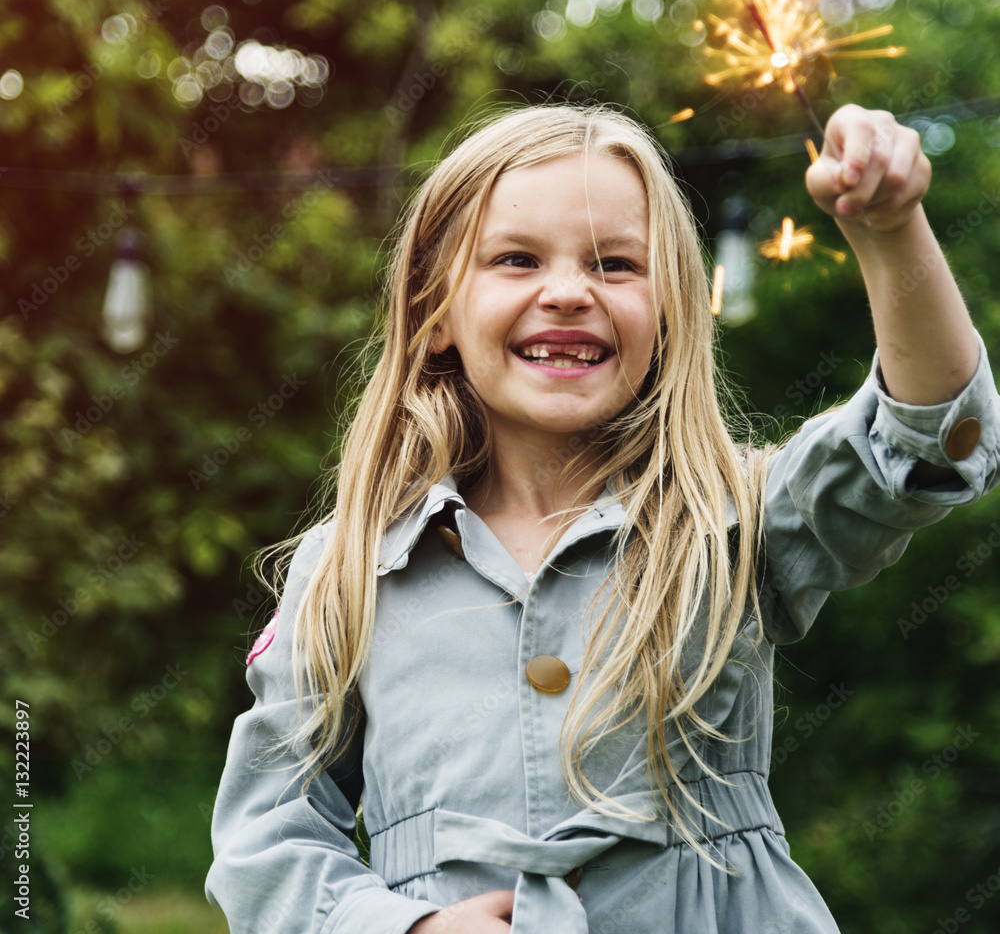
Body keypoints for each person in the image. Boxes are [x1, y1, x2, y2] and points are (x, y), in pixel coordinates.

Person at [205, 101, 1000, 934]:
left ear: (668, 312)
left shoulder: (737, 520)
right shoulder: (347, 569)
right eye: (516, 259)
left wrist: (891, 228)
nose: (568, 293)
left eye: (616, 265)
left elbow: (928, 440)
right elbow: (268, 834)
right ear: (436, 313)